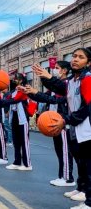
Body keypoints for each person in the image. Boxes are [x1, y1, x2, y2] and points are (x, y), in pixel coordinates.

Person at [31, 48, 91, 208]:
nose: (76, 59)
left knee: (88, 165)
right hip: (76, 128)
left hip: (87, 129)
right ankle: (82, 189)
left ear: (89, 62)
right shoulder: (72, 81)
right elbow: (59, 87)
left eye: (81, 57)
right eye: (74, 56)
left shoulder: (87, 79)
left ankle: (90, 201)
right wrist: (46, 77)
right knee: (81, 163)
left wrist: (66, 120)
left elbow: (87, 108)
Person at [24, 61, 75, 187]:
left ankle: (68, 178)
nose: (54, 70)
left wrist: (38, 88)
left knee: (65, 151)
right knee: (59, 150)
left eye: (56, 68)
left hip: (62, 121)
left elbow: (55, 99)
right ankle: (61, 176)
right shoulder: (55, 87)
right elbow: (43, 97)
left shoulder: (66, 85)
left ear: (64, 70)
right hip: (53, 122)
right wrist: (30, 92)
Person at [0, 73, 32, 171]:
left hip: (23, 118)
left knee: (24, 142)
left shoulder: (24, 89)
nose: (14, 81)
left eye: (16, 79)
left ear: (21, 80)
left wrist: (0, 101)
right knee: (16, 142)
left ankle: (27, 164)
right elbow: (7, 99)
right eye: (13, 79)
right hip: (14, 118)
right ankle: (17, 162)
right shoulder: (13, 91)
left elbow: (15, 100)